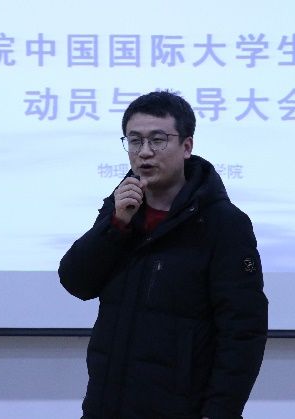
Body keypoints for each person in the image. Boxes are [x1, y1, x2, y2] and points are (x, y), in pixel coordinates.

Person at [59, 90, 268, 419]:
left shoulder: (223, 223)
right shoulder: (121, 210)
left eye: (158, 140)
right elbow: (77, 282)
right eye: (134, 141)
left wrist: (220, 412)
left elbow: (243, 332)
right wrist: (116, 225)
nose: (144, 152)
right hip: (106, 404)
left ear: (186, 146)